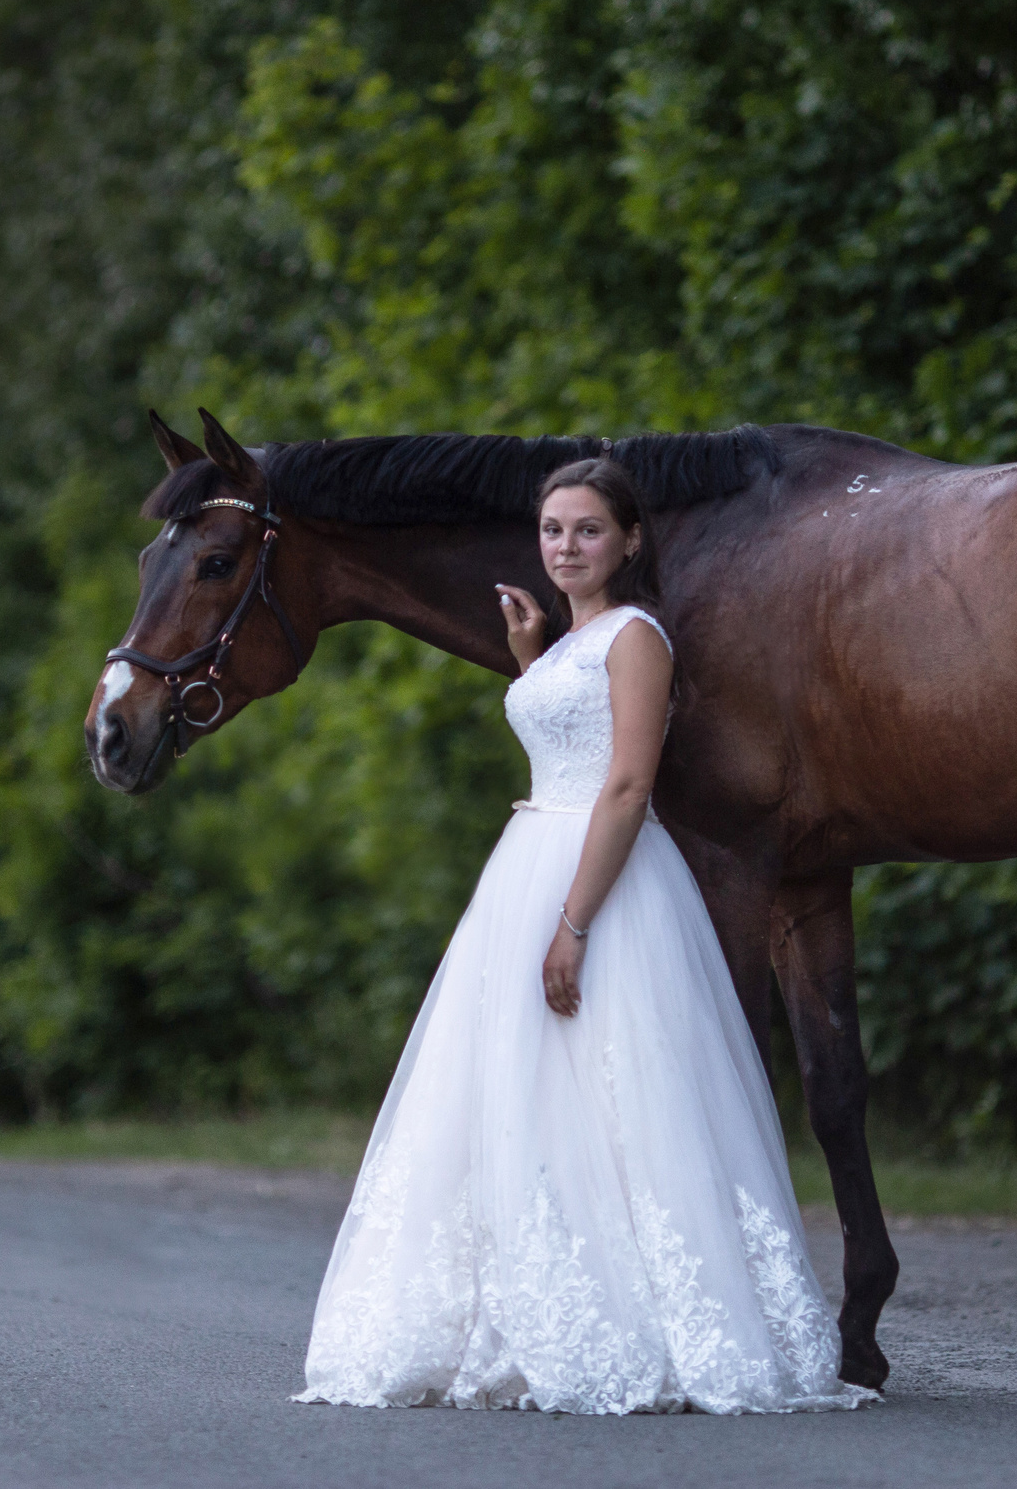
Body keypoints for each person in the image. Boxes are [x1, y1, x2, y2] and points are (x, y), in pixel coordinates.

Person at [296, 457, 878, 1415]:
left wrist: (574, 922)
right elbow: (569, 740)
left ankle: (654, 1319)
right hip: (529, 862)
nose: (566, 547)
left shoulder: (638, 637)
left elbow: (625, 783)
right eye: (554, 530)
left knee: (621, 1092)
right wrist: (533, 660)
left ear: (631, 539)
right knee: (529, 1090)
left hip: (598, 877)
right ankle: (529, 1311)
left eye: (588, 530)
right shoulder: (571, 639)